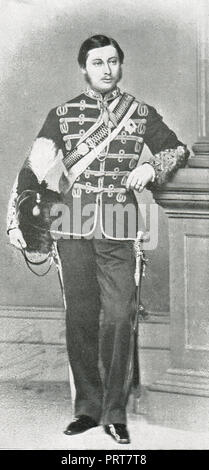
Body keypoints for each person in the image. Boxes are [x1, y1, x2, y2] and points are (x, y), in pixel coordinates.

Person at [7, 34, 189, 444]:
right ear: (84, 69)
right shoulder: (64, 114)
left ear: (121, 66)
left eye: (112, 61)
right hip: (72, 224)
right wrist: (31, 216)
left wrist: (151, 167)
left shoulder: (141, 114)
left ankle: (115, 411)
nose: (106, 69)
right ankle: (88, 408)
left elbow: (177, 149)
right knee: (81, 317)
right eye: (97, 62)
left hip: (120, 224)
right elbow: (34, 170)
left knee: (121, 315)